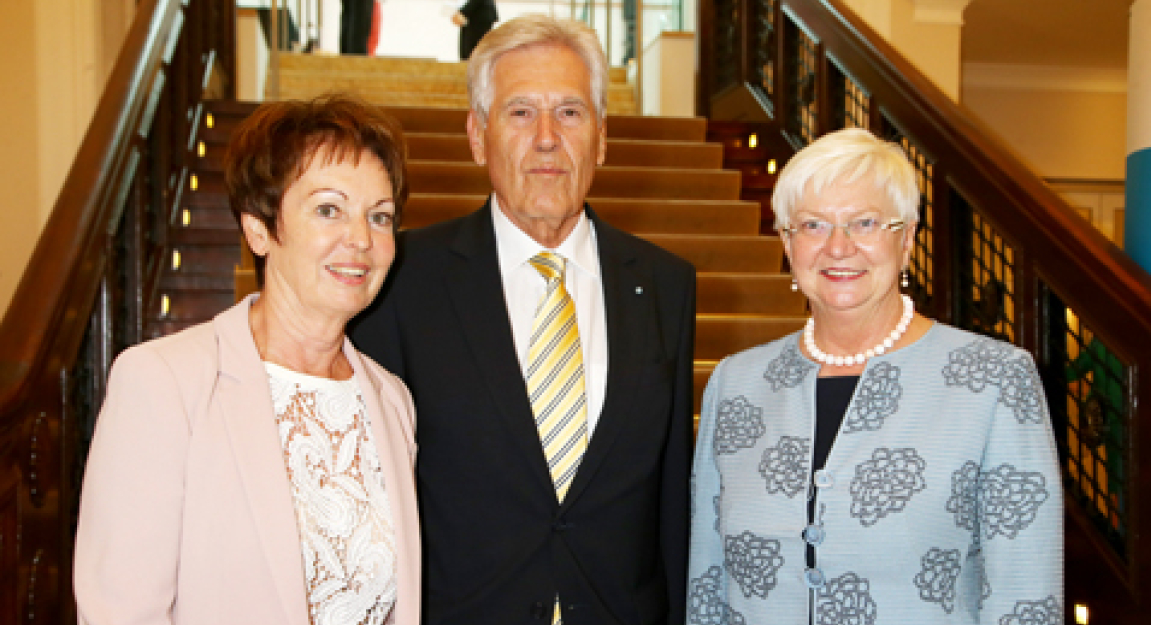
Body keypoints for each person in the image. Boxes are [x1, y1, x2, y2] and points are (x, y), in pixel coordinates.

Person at [352, 15, 695, 625]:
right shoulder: (403, 280)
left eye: (569, 112)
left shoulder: (666, 285)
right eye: (519, 113)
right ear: (477, 136)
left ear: (602, 136)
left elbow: (669, 504)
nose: (546, 138)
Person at [687, 128, 1062, 624]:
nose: (838, 247)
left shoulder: (994, 381)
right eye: (813, 226)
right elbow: (708, 584)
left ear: (906, 239)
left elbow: (1024, 599)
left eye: (865, 223)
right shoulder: (737, 384)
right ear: (787, 242)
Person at [74, 95, 420, 625]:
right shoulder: (163, 382)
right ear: (259, 227)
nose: (361, 240)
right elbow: (121, 611)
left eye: (380, 216)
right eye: (329, 209)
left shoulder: (390, 398)